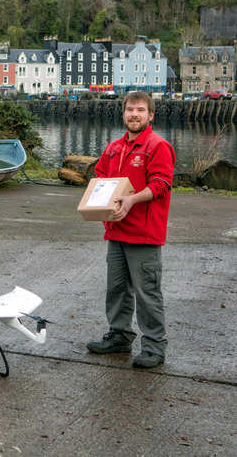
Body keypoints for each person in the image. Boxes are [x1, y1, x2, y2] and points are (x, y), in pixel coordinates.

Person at [87, 91, 175, 369]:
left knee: (147, 292)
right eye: (129, 110)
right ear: (123, 113)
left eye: (140, 110)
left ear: (150, 115)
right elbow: (100, 175)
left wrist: (132, 199)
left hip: (144, 234)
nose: (134, 114)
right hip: (115, 231)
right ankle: (119, 335)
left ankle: (154, 346)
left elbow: (161, 184)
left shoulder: (157, 146)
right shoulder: (114, 148)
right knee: (116, 289)